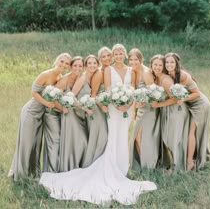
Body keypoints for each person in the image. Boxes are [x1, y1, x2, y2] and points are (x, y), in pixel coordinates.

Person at [39, 44, 157, 205]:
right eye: (115, 53)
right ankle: (112, 166)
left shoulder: (132, 70)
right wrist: (116, 104)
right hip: (113, 108)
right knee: (113, 135)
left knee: (123, 135)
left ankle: (123, 167)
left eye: (120, 52)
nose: (118, 55)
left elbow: (133, 88)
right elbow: (108, 89)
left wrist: (128, 105)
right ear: (113, 55)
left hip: (127, 108)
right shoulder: (107, 70)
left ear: (124, 54)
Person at [8, 53, 71, 181]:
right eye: (62, 61)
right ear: (57, 60)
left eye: (66, 64)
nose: (63, 65)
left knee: (36, 143)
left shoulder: (60, 77)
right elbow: (33, 92)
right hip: (31, 112)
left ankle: (33, 173)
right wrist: (47, 103)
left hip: (42, 115)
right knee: (27, 143)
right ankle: (20, 174)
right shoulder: (46, 74)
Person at [165, 52, 210, 171]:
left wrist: (184, 99)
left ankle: (190, 162)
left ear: (177, 63)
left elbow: (196, 93)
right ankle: (189, 157)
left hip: (199, 104)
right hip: (189, 104)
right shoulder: (169, 75)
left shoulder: (183, 75)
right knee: (188, 131)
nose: (169, 64)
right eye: (167, 62)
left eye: (172, 62)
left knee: (191, 131)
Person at [150, 55, 190, 173]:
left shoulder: (166, 80)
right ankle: (172, 164)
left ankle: (175, 167)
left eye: (160, 65)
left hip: (174, 111)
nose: (157, 67)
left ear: (163, 67)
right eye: (155, 65)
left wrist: (158, 105)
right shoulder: (158, 78)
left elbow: (174, 99)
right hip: (167, 110)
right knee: (168, 138)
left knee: (172, 138)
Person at [128, 48, 161, 170]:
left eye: (135, 59)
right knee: (137, 137)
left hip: (149, 109)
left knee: (142, 138)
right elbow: (132, 88)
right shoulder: (132, 71)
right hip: (140, 109)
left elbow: (153, 92)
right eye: (130, 59)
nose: (133, 62)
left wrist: (143, 100)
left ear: (140, 59)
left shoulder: (146, 72)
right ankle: (143, 164)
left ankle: (148, 165)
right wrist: (134, 110)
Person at [55, 56, 88, 172]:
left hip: (81, 114)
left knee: (83, 140)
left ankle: (80, 165)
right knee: (80, 140)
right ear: (70, 67)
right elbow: (54, 97)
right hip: (69, 114)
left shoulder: (84, 78)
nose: (78, 68)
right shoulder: (64, 80)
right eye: (75, 66)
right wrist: (62, 107)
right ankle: (69, 166)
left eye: (80, 66)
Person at [82, 47, 112, 167]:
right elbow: (93, 95)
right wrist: (102, 105)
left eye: (108, 55)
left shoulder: (109, 70)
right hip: (98, 109)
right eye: (103, 57)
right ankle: (93, 164)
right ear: (100, 59)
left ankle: (104, 163)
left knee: (105, 135)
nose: (106, 59)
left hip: (106, 108)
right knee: (101, 136)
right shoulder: (99, 73)